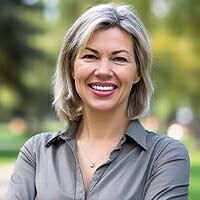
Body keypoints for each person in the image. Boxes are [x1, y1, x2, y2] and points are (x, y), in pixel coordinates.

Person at [6, 3, 190, 200]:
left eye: (119, 59)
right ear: (71, 68)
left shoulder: (164, 156)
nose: (103, 71)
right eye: (90, 56)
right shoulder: (36, 153)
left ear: (138, 72)